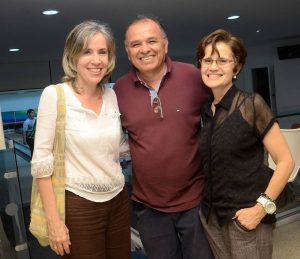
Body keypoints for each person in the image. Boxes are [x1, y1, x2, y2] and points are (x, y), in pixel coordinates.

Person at [114, 15, 213, 259]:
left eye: (152, 41)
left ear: (165, 45)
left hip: (196, 201)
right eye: (136, 44)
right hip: (149, 208)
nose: (145, 49)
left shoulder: (192, 76)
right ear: (128, 52)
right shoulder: (119, 90)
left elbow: (220, 122)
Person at [31, 20, 131, 258]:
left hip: (118, 199)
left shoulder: (112, 96)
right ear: (73, 56)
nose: (96, 60)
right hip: (78, 203)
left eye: (102, 52)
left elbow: (117, 149)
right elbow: (41, 165)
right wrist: (55, 223)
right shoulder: (55, 95)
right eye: (87, 51)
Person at [196, 29, 294, 259]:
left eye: (222, 60)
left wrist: (260, 209)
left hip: (248, 217)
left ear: (236, 67)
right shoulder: (205, 110)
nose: (213, 67)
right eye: (207, 60)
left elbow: (286, 162)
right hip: (212, 217)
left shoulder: (251, 104)